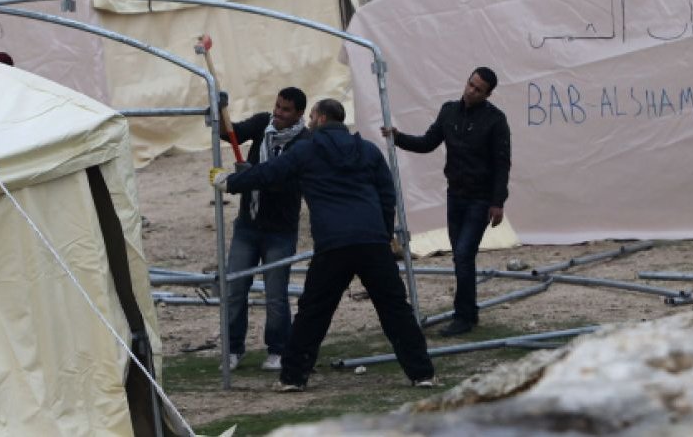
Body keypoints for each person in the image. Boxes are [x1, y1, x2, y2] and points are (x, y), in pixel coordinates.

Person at [211, 98, 436, 392]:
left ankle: (293, 377)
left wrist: (230, 182)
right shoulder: (367, 150)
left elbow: (270, 173)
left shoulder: (307, 150)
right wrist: (381, 232)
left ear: (318, 118)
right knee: (396, 311)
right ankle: (422, 374)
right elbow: (386, 195)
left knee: (314, 313)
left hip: (333, 243)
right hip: (371, 242)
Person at [381, 67, 511, 337]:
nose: (471, 91)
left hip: (480, 198)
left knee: (464, 255)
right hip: (456, 195)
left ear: (488, 94)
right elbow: (428, 142)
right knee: (461, 257)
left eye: (478, 89)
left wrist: (497, 202)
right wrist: (398, 137)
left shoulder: (496, 121)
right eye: (470, 84)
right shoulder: (449, 111)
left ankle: (462, 315)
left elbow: (502, 164)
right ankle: (469, 311)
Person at [218, 87, 309, 372]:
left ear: (298, 115)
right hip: (248, 225)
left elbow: (286, 182)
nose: (278, 114)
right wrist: (219, 109)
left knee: (275, 294)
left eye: (285, 110)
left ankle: (278, 349)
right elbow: (228, 132)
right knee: (235, 287)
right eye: (277, 106)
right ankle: (233, 348)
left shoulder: (305, 144)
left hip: (280, 229)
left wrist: (251, 177)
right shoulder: (262, 125)